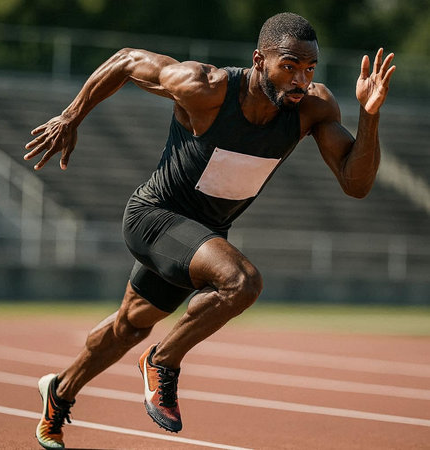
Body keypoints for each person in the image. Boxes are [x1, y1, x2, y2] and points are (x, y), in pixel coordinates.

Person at [24, 12, 395, 449]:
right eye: (289, 66)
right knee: (241, 282)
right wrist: (71, 117)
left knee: (131, 324)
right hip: (154, 216)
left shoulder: (313, 109)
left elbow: (356, 184)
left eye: (309, 69)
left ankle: (59, 393)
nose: (300, 79)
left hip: (201, 234)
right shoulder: (207, 88)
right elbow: (125, 60)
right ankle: (162, 362)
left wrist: (369, 115)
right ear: (260, 60)